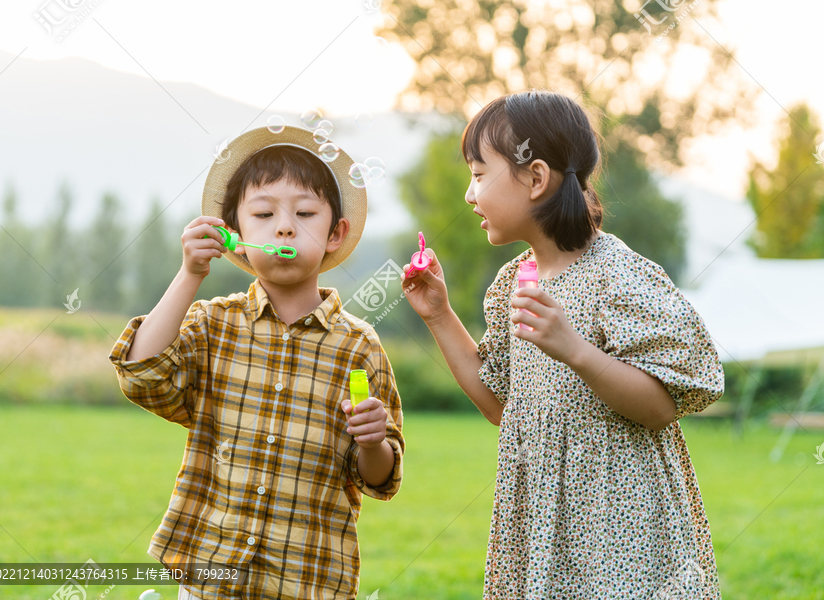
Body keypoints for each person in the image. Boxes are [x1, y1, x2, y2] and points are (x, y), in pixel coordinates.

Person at [401, 91, 724, 599]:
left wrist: (575, 349)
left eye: (479, 174)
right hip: (543, 525)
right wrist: (440, 315)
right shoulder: (513, 284)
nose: (469, 193)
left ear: (535, 178)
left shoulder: (617, 275)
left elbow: (663, 407)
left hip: (622, 528)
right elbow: (500, 405)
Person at [108, 125, 404, 600]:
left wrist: (373, 442)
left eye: (305, 213)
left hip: (306, 583)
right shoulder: (213, 325)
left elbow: (379, 478)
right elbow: (143, 377)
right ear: (236, 236)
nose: (284, 227)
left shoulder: (358, 348)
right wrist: (190, 274)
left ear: (336, 233)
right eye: (264, 214)